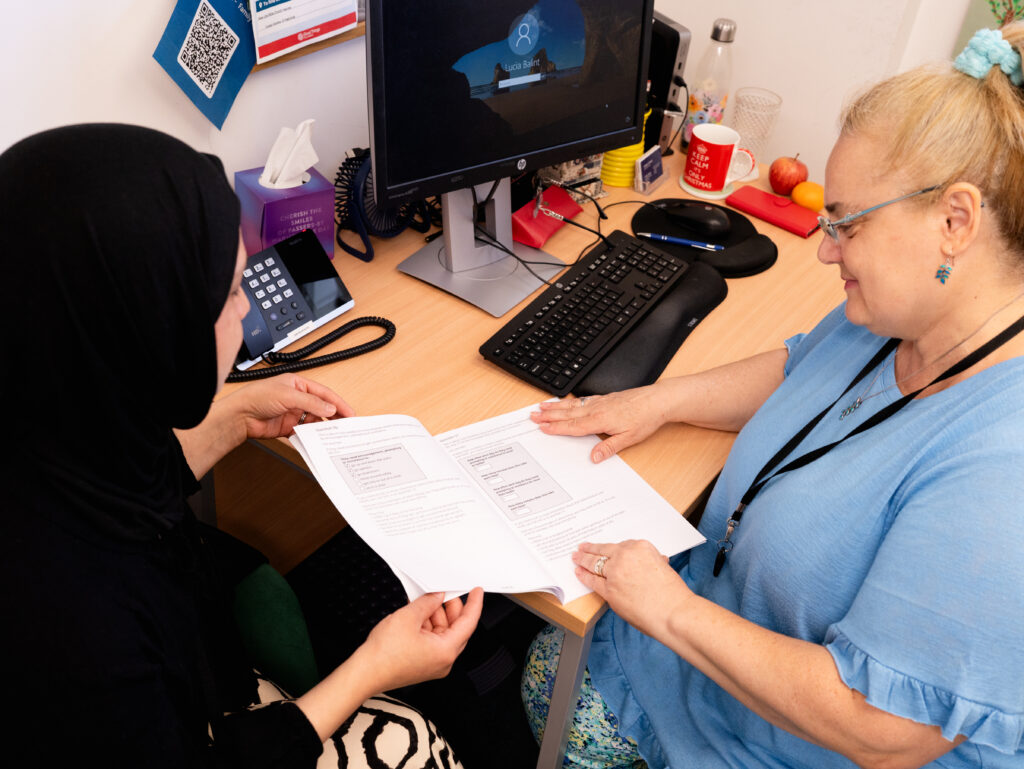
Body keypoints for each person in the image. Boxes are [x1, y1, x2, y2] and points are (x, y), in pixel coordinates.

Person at [520, 23, 1024, 769]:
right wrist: (657, 400)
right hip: (709, 649)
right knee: (549, 671)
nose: (825, 249)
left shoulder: (1000, 472)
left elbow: (880, 729)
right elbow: (799, 366)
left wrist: (671, 609)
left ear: (954, 221)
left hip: (805, 743)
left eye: (847, 224)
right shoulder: (905, 314)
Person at [0, 123, 483, 768]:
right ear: (151, 326)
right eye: (229, 294)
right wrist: (372, 669)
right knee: (421, 748)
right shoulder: (73, 626)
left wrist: (233, 419)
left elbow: (118, 499)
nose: (247, 316)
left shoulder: (49, 407)